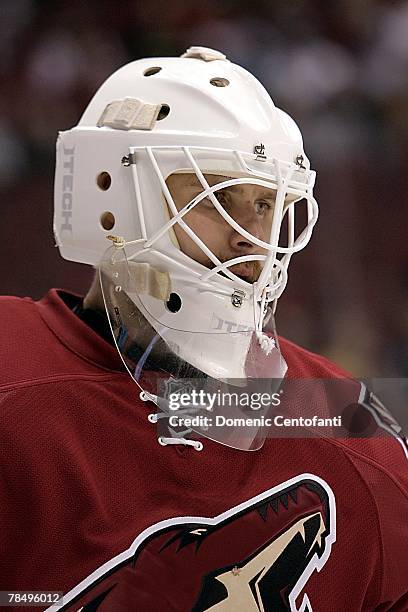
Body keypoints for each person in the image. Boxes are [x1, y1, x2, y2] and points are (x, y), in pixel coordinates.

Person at [1, 46, 407, 611]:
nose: (252, 235)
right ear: (111, 198)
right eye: (217, 198)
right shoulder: (12, 378)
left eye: (267, 204)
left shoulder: (343, 427)